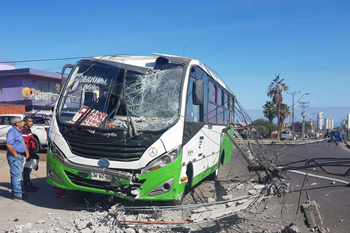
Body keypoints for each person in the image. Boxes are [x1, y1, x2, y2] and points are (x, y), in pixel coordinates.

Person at [6, 117, 29, 200]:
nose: (23, 123)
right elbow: (9, 144)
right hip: (14, 156)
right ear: (17, 123)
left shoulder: (18, 131)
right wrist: (15, 154)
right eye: (21, 121)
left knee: (18, 175)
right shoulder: (12, 131)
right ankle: (17, 194)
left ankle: (18, 191)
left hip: (20, 155)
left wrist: (26, 153)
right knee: (16, 176)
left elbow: (22, 143)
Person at [22, 117, 39, 192]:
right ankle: (26, 185)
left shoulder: (29, 130)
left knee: (29, 167)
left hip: (30, 150)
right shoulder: (24, 131)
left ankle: (28, 183)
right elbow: (24, 144)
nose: (31, 122)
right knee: (27, 168)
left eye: (32, 121)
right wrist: (27, 154)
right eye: (29, 121)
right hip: (27, 151)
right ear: (25, 122)